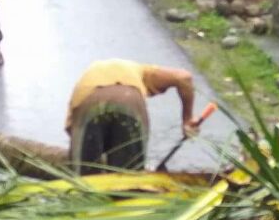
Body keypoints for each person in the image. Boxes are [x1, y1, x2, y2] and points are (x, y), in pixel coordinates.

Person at [65, 59, 200, 172]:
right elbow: (183, 77)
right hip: (130, 102)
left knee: (84, 173)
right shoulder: (144, 72)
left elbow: (76, 142)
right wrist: (187, 119)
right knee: (128, 176)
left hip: (90, 102)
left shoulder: (78, 96)